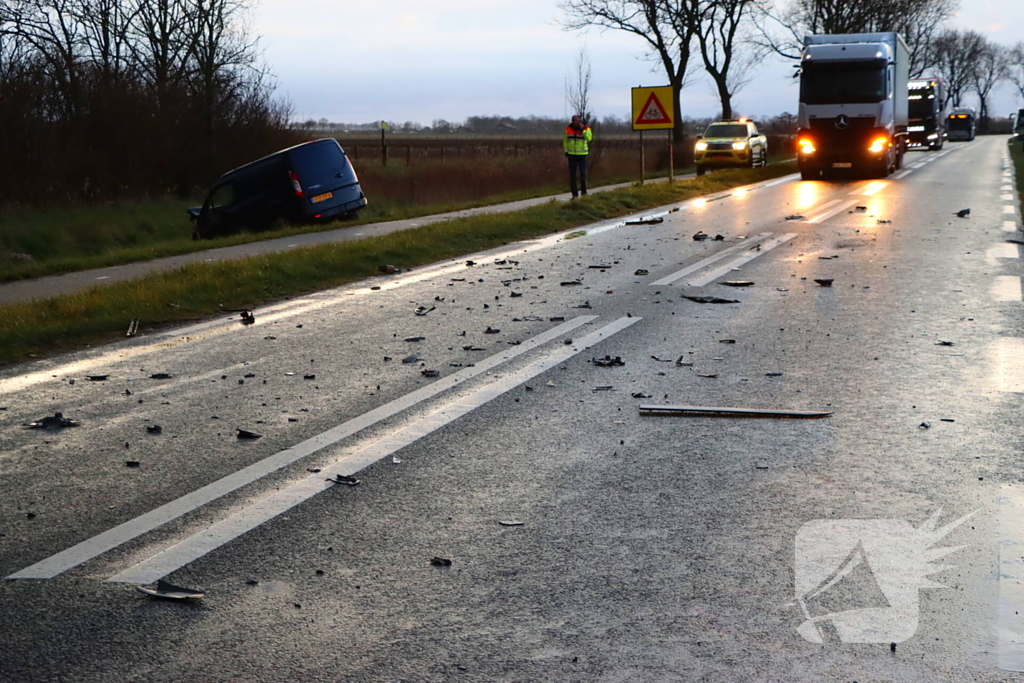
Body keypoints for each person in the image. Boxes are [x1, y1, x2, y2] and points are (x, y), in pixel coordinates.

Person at [563, 115, 593, 198]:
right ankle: (574, 195)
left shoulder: (586, 129)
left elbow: (589, 138)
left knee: (583, 174)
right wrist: (566, 151)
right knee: (573, 175)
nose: (575, 123)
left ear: (580, 121)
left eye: (576, 121)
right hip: (572, 154)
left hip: (582, 155)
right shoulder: (568, 129)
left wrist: (582, 130)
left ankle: (584, 193)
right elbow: (565, 141)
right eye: (573, 121)